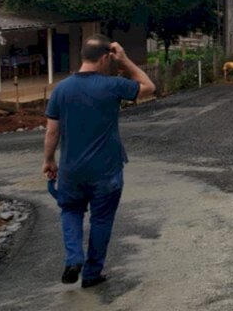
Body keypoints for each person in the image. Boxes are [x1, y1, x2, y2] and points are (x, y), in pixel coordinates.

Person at [42, 34, 155, 288]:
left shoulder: (61, 89)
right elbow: (149, 87)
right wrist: (125, 61)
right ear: (105, 58)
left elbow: (52, 132)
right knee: (101, 220)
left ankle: (73, 258)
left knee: (70, 211)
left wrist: (49, 160)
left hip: (72, 171)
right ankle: (92, 274)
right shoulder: (112, 85)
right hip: (106, 170)